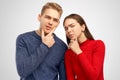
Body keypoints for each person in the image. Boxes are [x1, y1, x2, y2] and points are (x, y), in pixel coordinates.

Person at [16, 2, 67, 80]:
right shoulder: (23, 39)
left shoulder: (62, 47)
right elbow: (22, 71)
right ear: (39, 17)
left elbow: (63, 78)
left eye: (55, 20)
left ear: (58, 23)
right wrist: (44, 46)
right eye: (48, 17)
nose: (50, 22)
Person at [63, 14, 105, 80]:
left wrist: (78, 51)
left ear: (83, 27)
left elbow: (94, 76)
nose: (68, 30)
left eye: (72, 26)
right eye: (66, 28)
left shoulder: (98, 45)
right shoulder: (69, 53)